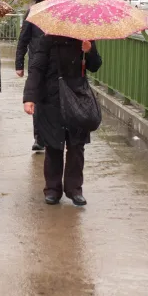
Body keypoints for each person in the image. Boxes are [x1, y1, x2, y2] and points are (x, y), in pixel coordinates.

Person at [22, 36, 102, 206]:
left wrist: (90, 51)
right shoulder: (48, 39)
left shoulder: (86, 38)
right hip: (52, 99)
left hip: (77, 99)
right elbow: (36, 69)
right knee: (53, 145)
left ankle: (74, 189)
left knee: (76, 146)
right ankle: (52, 189)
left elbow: (95, 66)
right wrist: (29, 97)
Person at [16, 0, 58, 152]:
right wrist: (19, 63)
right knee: (37, 100)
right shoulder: (33, 12)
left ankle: (56, 134)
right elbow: (23, 39)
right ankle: (40, 138)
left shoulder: (62, 13)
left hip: (57, 63)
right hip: (37, 63)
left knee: (54, 100)